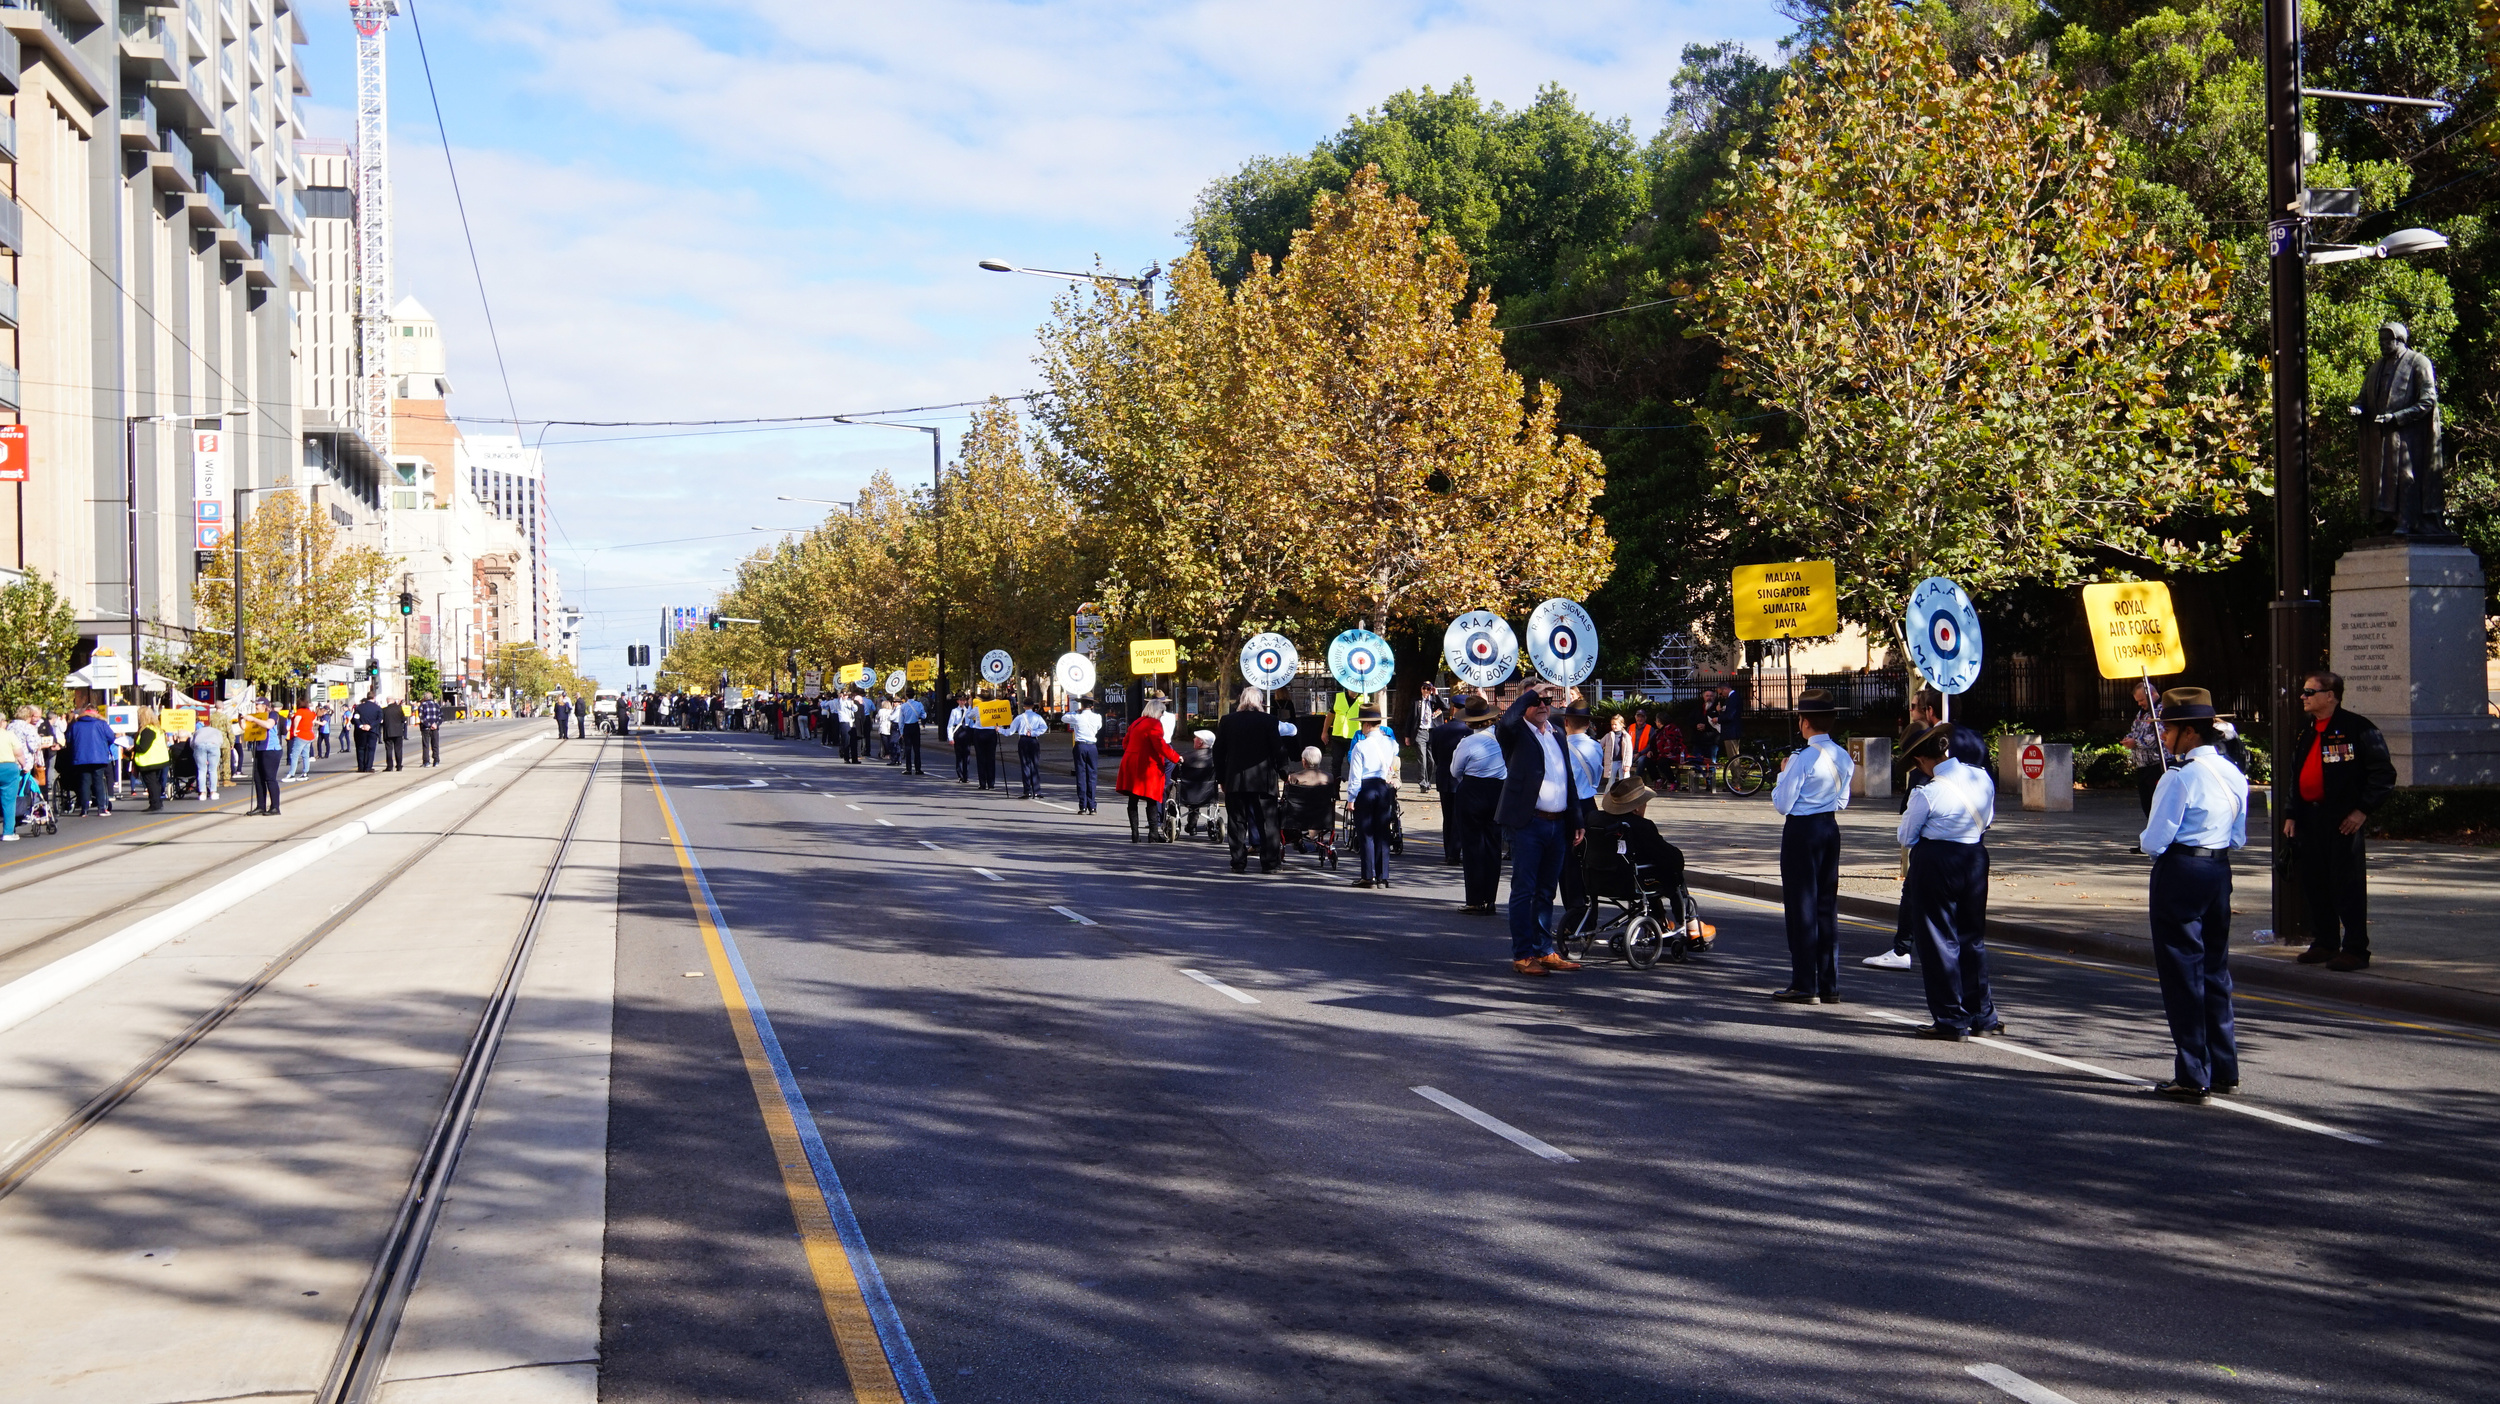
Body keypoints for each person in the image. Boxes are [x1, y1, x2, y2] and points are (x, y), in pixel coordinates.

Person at [2138, 687, 2249, 1101]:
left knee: (2182, 973)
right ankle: (2224, 1068)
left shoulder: (2179, 777)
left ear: (2188, 733)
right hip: (2218, 869)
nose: (2164, 737)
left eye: (2168, 729)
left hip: (2181, 871)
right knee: (2215, 971)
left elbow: (2154, 840)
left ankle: (2192, 1073)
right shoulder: (2233, 773)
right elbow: (2238, 837)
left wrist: (2150, 845)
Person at [2282, 670, 2396, 972]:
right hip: (2309, 818)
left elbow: (2383, 774)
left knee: (2347, 884)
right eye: (2304, 691)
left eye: (2310, 692)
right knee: (2314, 882)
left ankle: (2355, 949)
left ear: (2330, 696)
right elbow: (2296, 776)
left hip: (2342, 819)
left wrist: (2362, 810)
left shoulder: (2358, 728)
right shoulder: (2306, 731)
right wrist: (2291, 812)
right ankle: (2325, 942)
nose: (2303, 697)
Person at [1895, 722, 2000, 1039]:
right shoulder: (1980, 776)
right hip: (1974, 856)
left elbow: (1906, 836)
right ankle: (1982, 1014)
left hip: (1936, 861)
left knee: (1938, 940)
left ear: (1920, 760)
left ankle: (1951, 1018)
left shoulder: (1928, 793)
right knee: (1972, 937)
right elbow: (1988, 819)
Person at [1494, 687, 1587, 976]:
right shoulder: (1515, 733)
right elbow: (1506, 721)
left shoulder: (1557, 733)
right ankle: (1523, 955)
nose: (1543, 706)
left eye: (1546, 701)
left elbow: (1567, 778)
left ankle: (1544, 950)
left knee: (1547, 891)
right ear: (1524, 705)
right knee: (1524, 891)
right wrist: (1530, 693)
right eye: (1536, 702)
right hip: (1528, 824)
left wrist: (1577, 818)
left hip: (1557, 823)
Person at [1770, 688, 1854, 1004]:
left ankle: (1805, 983)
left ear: (1805, 722)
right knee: (1826, 905)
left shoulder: (1801, 758)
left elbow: (1783, 804)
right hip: (1829, 828)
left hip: (1802, 831)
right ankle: (1829, 983)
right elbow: (1842, 801)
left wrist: (1782, 775)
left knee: (1801, 905)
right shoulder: (1843, 756)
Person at [1867, 692, 1946, 972]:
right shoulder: (1967, 743)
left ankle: (1903, 948)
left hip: (1933, 843)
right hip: (1968, 844)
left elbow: (1908, 832)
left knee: (1914, 892)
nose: (1910, 710)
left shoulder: (1926, 780)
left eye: (1914, 706)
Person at [1213, 688, 1283, 873]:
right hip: (1263, 780)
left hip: (1235, 780)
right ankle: (1270, 863)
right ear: (1260, 702)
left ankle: (1238, 862)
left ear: (1241, 700)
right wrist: (1284, 773)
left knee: (1237, 823)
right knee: (1267, 823)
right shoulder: (1269, 720)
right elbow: (1278, 750)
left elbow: (1218, 752)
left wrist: (1221, 778)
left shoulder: (1228, 721)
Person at [1449, 698, 1506, 913]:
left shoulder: (1467, 743)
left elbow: (1455, 771)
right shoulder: (1501, 739)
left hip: (1472, 790)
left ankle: (1475, 899)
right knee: (1493, 845)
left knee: (1472, 845)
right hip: (1498, 790)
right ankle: (1490, 899)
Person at [1588, 777, 1688, 891]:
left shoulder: (1593, 818)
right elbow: (1669, 857)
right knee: (1670, 867)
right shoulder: (1642, 825)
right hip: (1629, 883)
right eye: (1644, 803)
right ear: (1636, 808)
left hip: (1596, 880)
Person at [1345, 706, 1400, 887]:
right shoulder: (1390, 743)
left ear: (1367, 724)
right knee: (1382, 832)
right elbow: (1396, 752)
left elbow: (1355, 776)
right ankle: (1383, 877)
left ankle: (1368, 876)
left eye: (1362, 724)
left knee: (1366, 833)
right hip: (1383, 787)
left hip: (1366, 788)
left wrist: (1351, 798)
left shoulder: (1360, 746)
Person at [1115, 703, 1181, 841]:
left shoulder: (1137, 722)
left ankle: (1135, 833)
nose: (1162, 715)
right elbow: (1160, 745)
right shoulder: (1154, 724)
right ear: (1157, 711)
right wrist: (1176, 757)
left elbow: (1125, 743)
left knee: (1133, 798)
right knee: (1151, 798)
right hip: (1147, 764)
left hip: (1130, 762)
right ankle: (1153, 833)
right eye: (1162, 712)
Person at [1428, 703, 1471, 868]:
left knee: (1447, 817)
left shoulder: (1439, 730)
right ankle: (1456, 852)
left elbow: (1435, 755)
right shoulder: (1469, 731)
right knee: (1459, 817)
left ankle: (1449, 853)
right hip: (1462, 778)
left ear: (1453, 709)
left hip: (1445, 777)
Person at [63, 705, 117, 816]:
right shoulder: (101, 724)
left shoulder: (76, 725)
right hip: (99, 757)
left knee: (84, 782)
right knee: (98, 782)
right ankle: (101, 808)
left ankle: (84, 809)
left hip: (81, 757)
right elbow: (111, 738)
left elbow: (68, 739)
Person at [2122, 681, 2164, 816]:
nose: (2139, 704)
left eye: (2141, 700)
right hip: (2142, 766)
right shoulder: (2141, 713)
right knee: (2147, 806)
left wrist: (2136, 742)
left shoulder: (2162, 711)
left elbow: (2160, 736)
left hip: (2157, 765)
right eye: (2138, 701)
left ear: (2152, 694)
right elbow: (2135, 731)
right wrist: (2128, 739)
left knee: (2158, 806)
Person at [1173, 730, 1222, 839]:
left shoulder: (1185, 757)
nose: (1193, 739)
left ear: (1200, 742)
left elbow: (1174, 775)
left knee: (1172, 791)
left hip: (1187, 793)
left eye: (1195, 738)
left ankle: (1179, 823)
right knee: (1198, 795)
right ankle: (1192, 825)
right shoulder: (1217, 758)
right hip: (1207, 793)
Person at [243, 700, 286, 815]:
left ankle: (275, 807)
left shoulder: (272, 714)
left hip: (271, 750)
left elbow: (268, 725)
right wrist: (241, 719)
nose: (255, 707)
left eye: (257, 705)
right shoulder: (256, 716)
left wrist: (254, 719)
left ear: (264, 706)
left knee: (270, 778)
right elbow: (245, 728)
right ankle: (260, 806)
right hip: (259, 749)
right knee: (258, 778)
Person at [127, 707, 172, 812]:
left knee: (151, 783)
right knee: (155, 783)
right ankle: (157, 803)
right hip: (159, 759)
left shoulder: (147, 730)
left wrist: (133, 748)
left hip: (149, 761)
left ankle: (155, 804)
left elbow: (143, 748)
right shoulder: (157, 728)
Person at [1063, 696, 1103, 813]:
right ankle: (1092, 806)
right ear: (1092, 706)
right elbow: (1099, 727)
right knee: (1092, 776)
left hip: (1080, 745)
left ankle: (1083, 805)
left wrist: (1076, 712)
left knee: (1081, 775)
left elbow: (1064, 718)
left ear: (1081, 705)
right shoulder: (1097, 717)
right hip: (1092, 746)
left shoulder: (1077, 716)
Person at [1008, 700, 1050, 798]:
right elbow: (1044, 728)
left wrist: (1000, 730)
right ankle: (1037, 791)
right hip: (1034, 740)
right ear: (1032, 706)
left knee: (1025, 765)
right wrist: (1034, 733)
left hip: (1023, 740)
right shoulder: (1037, 717)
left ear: (1024, 706)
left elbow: (1010, 731)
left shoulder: (1019, 717)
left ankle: (1027, 791)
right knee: (1034, 765)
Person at [189, 709, 225, 803]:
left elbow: (192, 743)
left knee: (201, 770)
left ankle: (202, 793)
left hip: (199, 746)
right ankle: (213, 792)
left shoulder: (197, 731)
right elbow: (220, 742)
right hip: (213, 745)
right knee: (213, 770)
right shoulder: (216, 731)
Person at [1412, 682, 1440, 792]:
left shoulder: (1434, 701)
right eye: (1424, 688)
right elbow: (1410, 718)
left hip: (1432, 732)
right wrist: (1407, 735)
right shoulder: (1416, 702)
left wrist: (1436, 695)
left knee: (1431, 760)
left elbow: (1445, 707)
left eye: (1428, 689)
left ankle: (1428, 781)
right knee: (1422, 759)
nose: (1426, 691)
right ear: (1421, 689)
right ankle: (1422, 783)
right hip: (1420, 732)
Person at [972, 696, 1003, 790]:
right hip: (991, 732)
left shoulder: (978, 707)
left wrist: (970, 706)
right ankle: (991, 783)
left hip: (979, 732)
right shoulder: (994, 708)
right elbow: (999, 718)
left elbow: (969, 715)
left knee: (980, 758)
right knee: (991, 758)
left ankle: (982, 783)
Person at [948, 694, 978, 783]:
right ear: (958, 701)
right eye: (960, 700)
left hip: (966, 733)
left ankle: (966, 776)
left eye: (964, 700)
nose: (962, 702)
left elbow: (971, 723)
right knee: (959, 756)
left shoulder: (968, 711)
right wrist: (950, 737)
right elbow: (950, 725)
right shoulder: (954, 711)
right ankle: (960, 775)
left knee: (967, 756)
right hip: (958, 733)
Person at [285, 700, 317, 780]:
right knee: (305, 755)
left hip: (301, 735)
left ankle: (291, 774)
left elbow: (297, 719)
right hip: (309, 735)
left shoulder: (300, 711)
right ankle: (305, 773)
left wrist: (295, 729)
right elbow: (313, 721)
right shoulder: (310, 712)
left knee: (294, 755)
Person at [352, 689, 383, 772]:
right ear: (374, 698)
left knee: (360, 748)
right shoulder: (377, 708)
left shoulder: (359, 707)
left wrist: (361, 725)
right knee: (371, 749)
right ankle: (368, 767)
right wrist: (370, 726)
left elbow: (355, 718)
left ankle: (361, 767)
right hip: (372, 731)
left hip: (361, 731)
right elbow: (379, 719)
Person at [899, 690, 928, 775]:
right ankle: (918, 769)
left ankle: (908, 769)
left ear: (906, 696)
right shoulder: (919, 704)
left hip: (907, 727)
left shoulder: (903, 706)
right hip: (915, 726)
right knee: (916, 748)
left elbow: (901, 720)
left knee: (907, 748)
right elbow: (924, 715)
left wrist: (901, 732)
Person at [381, 695, 409, 771]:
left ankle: (389, 766)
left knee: (389, 750)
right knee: (398, 749)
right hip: (398, 732)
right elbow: (403, 719)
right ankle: (399, 766)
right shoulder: (399, 708)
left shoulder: (384, 710)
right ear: (393, 701)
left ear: (387, 701)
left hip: (388, 732)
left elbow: (381, 721)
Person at [416, 694, 445, 767]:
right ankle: (436, 761)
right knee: (435, 745)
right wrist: (436, 724)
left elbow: (421, 717)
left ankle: (426, 762)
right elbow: (441, 717)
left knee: (426, 745)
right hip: (435, 728)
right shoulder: (437, 705)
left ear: (425, 698)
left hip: (425, 728)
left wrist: (428, 725)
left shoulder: (422, 706)